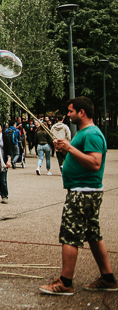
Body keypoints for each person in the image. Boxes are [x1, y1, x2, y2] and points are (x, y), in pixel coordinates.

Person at [40, 97, 116, 296]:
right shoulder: (84, 133)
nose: (68, 114)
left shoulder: (92, 134)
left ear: (82, 112)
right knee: (93, 235)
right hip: (85, 192)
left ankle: (65, 282)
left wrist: (70, 148)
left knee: (70, 235)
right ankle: (108, 278)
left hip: (83, 193)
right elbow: (81, 158)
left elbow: (95, 163)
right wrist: (67, 149)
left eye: (71, 111)